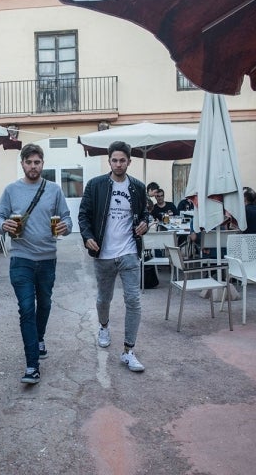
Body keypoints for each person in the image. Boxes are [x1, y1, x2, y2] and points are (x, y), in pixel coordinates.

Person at [0, 143, 72, 384]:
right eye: (29, 162)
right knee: (27, 309)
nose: (33, 166)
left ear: (42, 164)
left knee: (45, 303)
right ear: (22, 164)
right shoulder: (11, 190)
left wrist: (65, 227)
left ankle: (39, 338)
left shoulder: (54, 190)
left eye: (37, 162)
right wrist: (1, 225)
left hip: (48, 258)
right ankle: (32, 366)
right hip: (21, 259)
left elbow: (67, 219)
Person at [79, 140, 152, 373]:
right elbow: (84, 215)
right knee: (104, 299)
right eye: (114, 160)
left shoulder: (138, 187)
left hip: (129, 251)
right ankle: (104, 326)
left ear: (129, 161)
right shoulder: (96, 185)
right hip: (104, 254)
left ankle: (129, 351)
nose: (118, 164)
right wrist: (87, 236)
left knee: (133, 300)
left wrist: (144, 224)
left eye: (122, 160)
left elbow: (144, 214)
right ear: (109, 161)